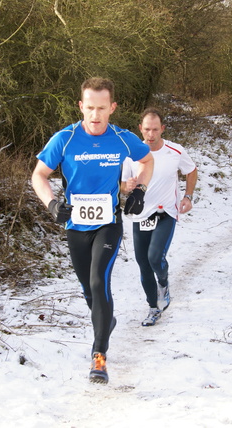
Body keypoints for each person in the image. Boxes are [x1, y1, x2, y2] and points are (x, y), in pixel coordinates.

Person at [31, 77, 154, 384]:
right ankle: (105, 321)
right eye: (90, 108)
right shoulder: (65, 139)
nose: (95, 115)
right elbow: (38, 175)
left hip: (108, 224)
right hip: (76, 226)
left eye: (102, 108)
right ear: (80, 106)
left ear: (112, 108)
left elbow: (147, 160)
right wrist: (52, 205)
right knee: (89, 291)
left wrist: (139, 188)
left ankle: (99, 356)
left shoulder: (122, 138)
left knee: (100, 282)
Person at [122, 107, 197, 327]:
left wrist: (188, 196)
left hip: (166, 213)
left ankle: (163, 283)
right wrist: (126, 186)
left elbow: (191, 171)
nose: (151, 134)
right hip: (141, 215)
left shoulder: (175, 151)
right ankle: (153, 308)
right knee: (143, 263)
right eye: (147, 129)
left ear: (162, 129)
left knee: (155, 257)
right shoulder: (131, 154)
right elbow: (124, 185)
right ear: (140, 129)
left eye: (155, 129)